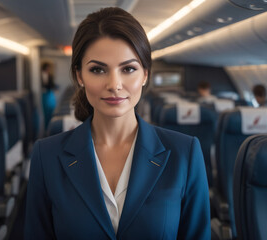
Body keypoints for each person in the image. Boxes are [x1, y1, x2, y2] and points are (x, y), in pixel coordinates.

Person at [25, 7, 210, 240]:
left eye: (128, 69)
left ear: (145, 74)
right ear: (80, 76)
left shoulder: (185, 154)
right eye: (98, 69)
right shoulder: (47, 156)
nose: (114, 84)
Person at [41, 62, 56, 128]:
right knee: (45, 112)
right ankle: (46, 128)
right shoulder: (39, 76)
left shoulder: (50, 76)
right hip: (44, 94)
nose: (48, 69)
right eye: (48, 68)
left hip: (49, 93)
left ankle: (50, 126)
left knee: (52, 110)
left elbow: (52, 84)